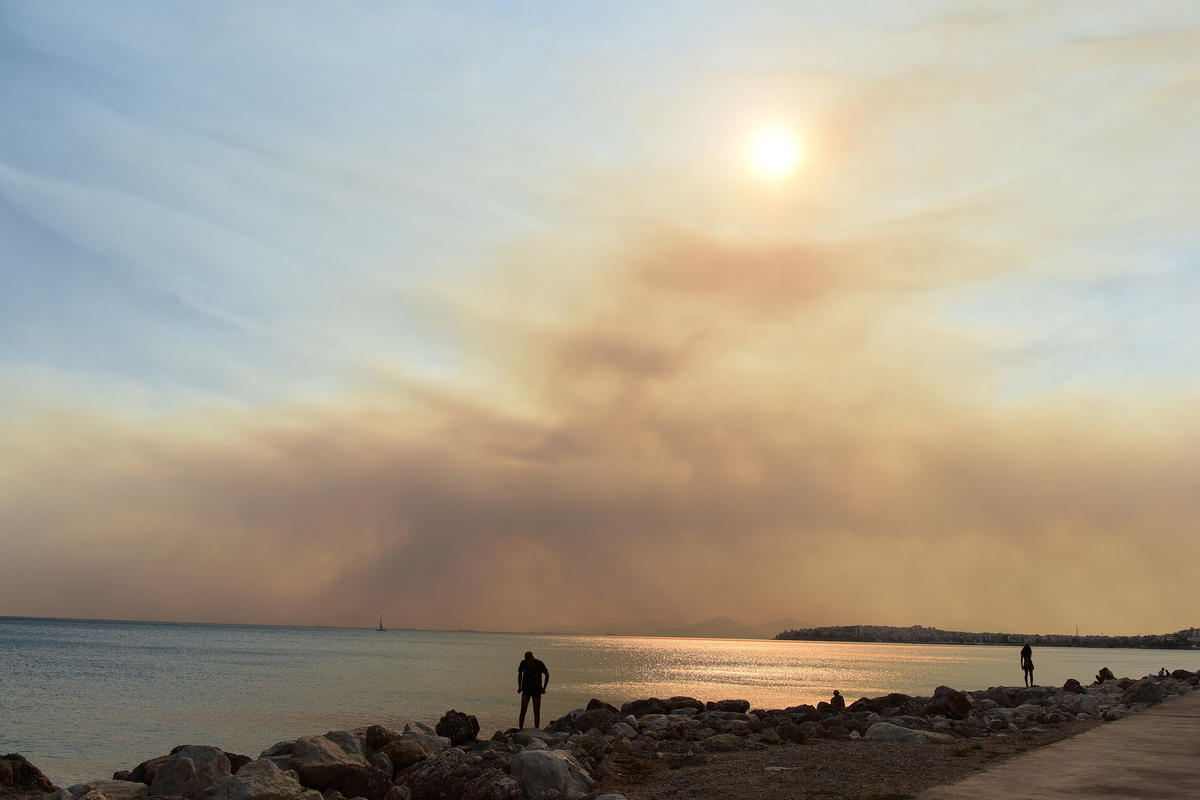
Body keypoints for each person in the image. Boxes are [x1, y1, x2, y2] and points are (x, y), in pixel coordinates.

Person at [517, 651, 550, 729]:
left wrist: (544, 688)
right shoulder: (523, 663)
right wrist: (519, 687)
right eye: (527, 661)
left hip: (536, 689)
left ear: (532, 658)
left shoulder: (539, 664)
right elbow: (520, 674)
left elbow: (547, 674)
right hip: (526, 689)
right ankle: (520, 728)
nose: (528, 663)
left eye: (530, 661)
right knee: (523, 710)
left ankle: (536, 728)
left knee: (536, 711)